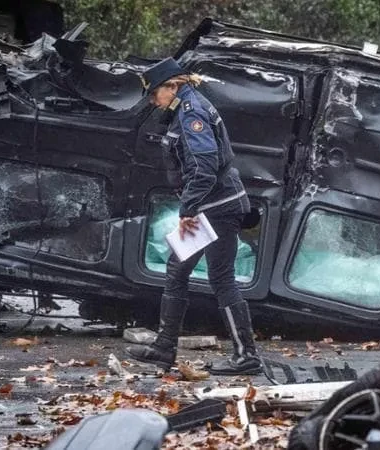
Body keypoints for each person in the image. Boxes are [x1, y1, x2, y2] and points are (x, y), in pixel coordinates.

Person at [125, 57, 261, 376]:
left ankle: (243, 355)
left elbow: (204, 167)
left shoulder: (191, 113)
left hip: (216, 207)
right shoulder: (186, 107)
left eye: (154, 92)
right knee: (186, 269)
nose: (152, 100)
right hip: (217, 205)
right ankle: (165, 348)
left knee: (211, 275)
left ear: (173, 86)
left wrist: (188, 210)